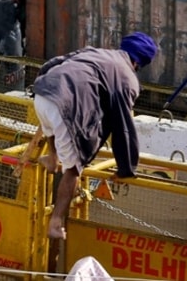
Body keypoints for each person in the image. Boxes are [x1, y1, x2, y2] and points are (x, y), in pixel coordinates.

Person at [31, 32, 158, 239]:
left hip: (42, 93)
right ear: (138, 63)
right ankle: (55, 223)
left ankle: (52, 159)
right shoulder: (128, 79)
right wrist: (126, 168)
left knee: (52, 127)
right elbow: (123, 126)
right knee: (73, 170)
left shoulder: (96, 52)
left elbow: (53, 63)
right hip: (63, 105)